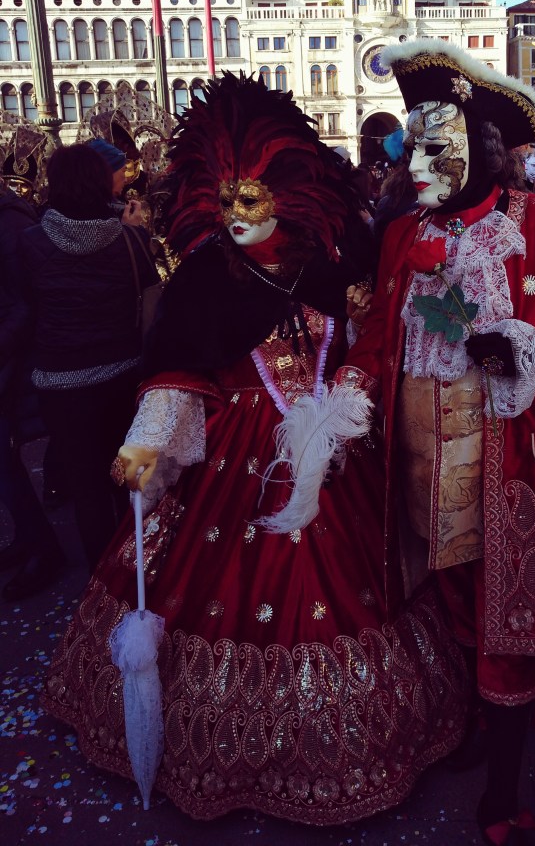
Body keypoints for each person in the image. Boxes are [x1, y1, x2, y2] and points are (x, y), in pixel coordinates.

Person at [41, 72, 469, 824]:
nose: (233, 215)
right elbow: (179, 366)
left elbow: (372, 342)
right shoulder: (205, 279)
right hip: (238, 456)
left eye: (249, 198)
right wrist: (149, 442)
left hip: (337, 453)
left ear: (289, 193)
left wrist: (354, 396)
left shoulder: (332, 265)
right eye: (223, 200)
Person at [339, 41, 535, 844]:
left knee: (508, 621)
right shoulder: (403, 235)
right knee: (452, 600)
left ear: (484, 150)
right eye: (412, 152)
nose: (416, 170)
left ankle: (503, 787)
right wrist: (349, 395)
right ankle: (474, 721)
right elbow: (380, 337)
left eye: (437, 151)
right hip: (421, 463)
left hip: (512, 459)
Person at [21, 143, 159, 572]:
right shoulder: (131, 238)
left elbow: (26, 309)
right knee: (129, 475)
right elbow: (151, 301)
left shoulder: (30, 242)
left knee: (87, 486)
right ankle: (136, 564)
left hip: (61, 383)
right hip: (122, 373)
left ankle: (102, 576)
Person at [0, 183, 65, 601]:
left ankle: (43, 548)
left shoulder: (9, 221)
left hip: (15, 359)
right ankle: (30, 537)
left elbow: (26, 301)